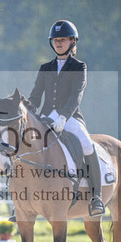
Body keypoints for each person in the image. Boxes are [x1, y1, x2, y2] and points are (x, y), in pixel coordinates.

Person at [25, 20, 105, 217]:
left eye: (62, 39)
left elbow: (76, 95)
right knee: (26, 144)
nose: (58, 43)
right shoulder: (45, 68)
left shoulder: (79, 67)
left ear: (72, 41)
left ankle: (96, 197)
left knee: (87, 145)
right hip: (45, 117)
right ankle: (23, 200)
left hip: (69, 117)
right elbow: (36, 95)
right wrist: (27, 110)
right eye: (55, 40)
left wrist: (63, 116)